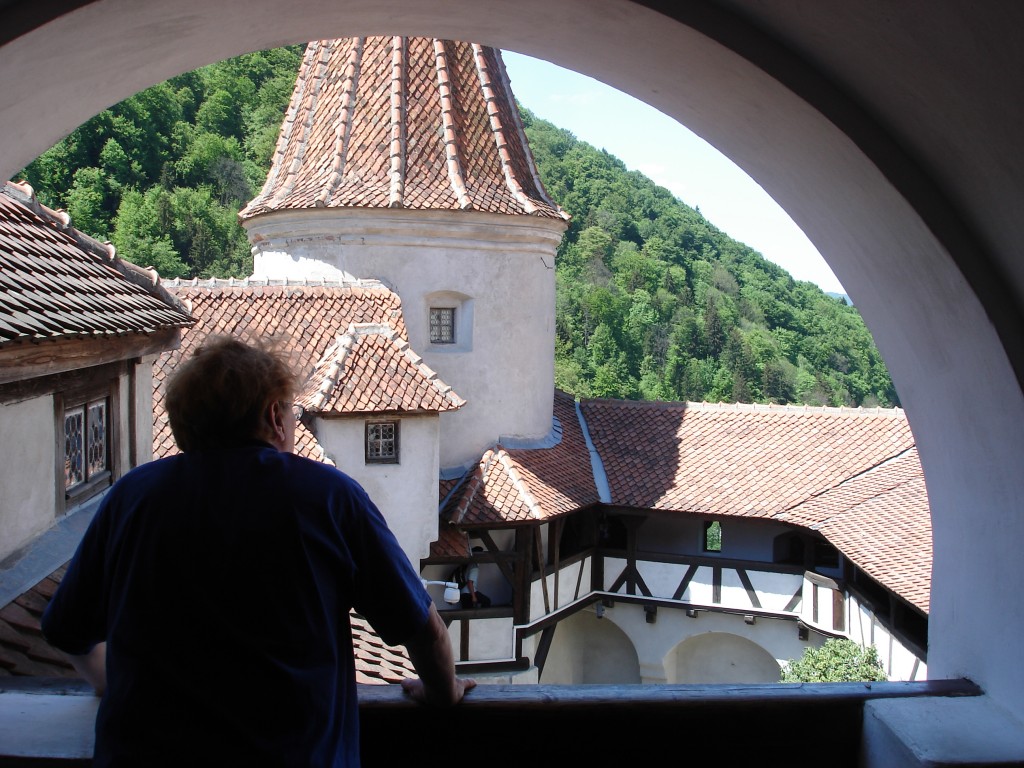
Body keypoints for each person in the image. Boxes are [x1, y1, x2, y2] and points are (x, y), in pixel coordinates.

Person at [41, 336, 473, 767]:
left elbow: (67, 629)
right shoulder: (327, 497)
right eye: (291, 411)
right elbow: (422, 629)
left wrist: (111, 682)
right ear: (274, 416)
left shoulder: (130, 498)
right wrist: (443, 692)